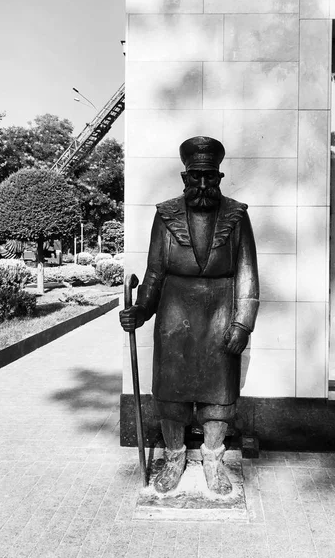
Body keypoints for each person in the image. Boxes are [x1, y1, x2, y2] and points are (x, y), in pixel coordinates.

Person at [120, 136, 259, 495]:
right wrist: (141, 310)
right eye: (195, 176)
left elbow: (247, 274)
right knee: (172, 394)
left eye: (209, 178)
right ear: (184, 177)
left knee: (218, 397)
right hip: (174, 318)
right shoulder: (165, 215)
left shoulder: (237, 215)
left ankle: (214, 458)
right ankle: (174, 457)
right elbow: (154, 273)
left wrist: (242, 323)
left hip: (220, 314)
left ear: (219, 176)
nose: (201, 185)